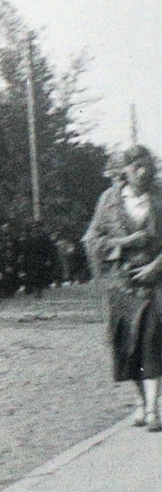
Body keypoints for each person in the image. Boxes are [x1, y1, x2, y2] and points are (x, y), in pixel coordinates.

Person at [82, 145, 162, 430]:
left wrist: (157, 266)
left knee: (152, 343)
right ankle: (141, 404)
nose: (143, 171)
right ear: (124, 171)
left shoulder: (160, 198)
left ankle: (154, 410)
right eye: (136, 166)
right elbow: (92, 240)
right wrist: (125, 244)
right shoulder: (109, 201)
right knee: (128, 349)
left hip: (154, 285)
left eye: (147, 165)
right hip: (121, 287)